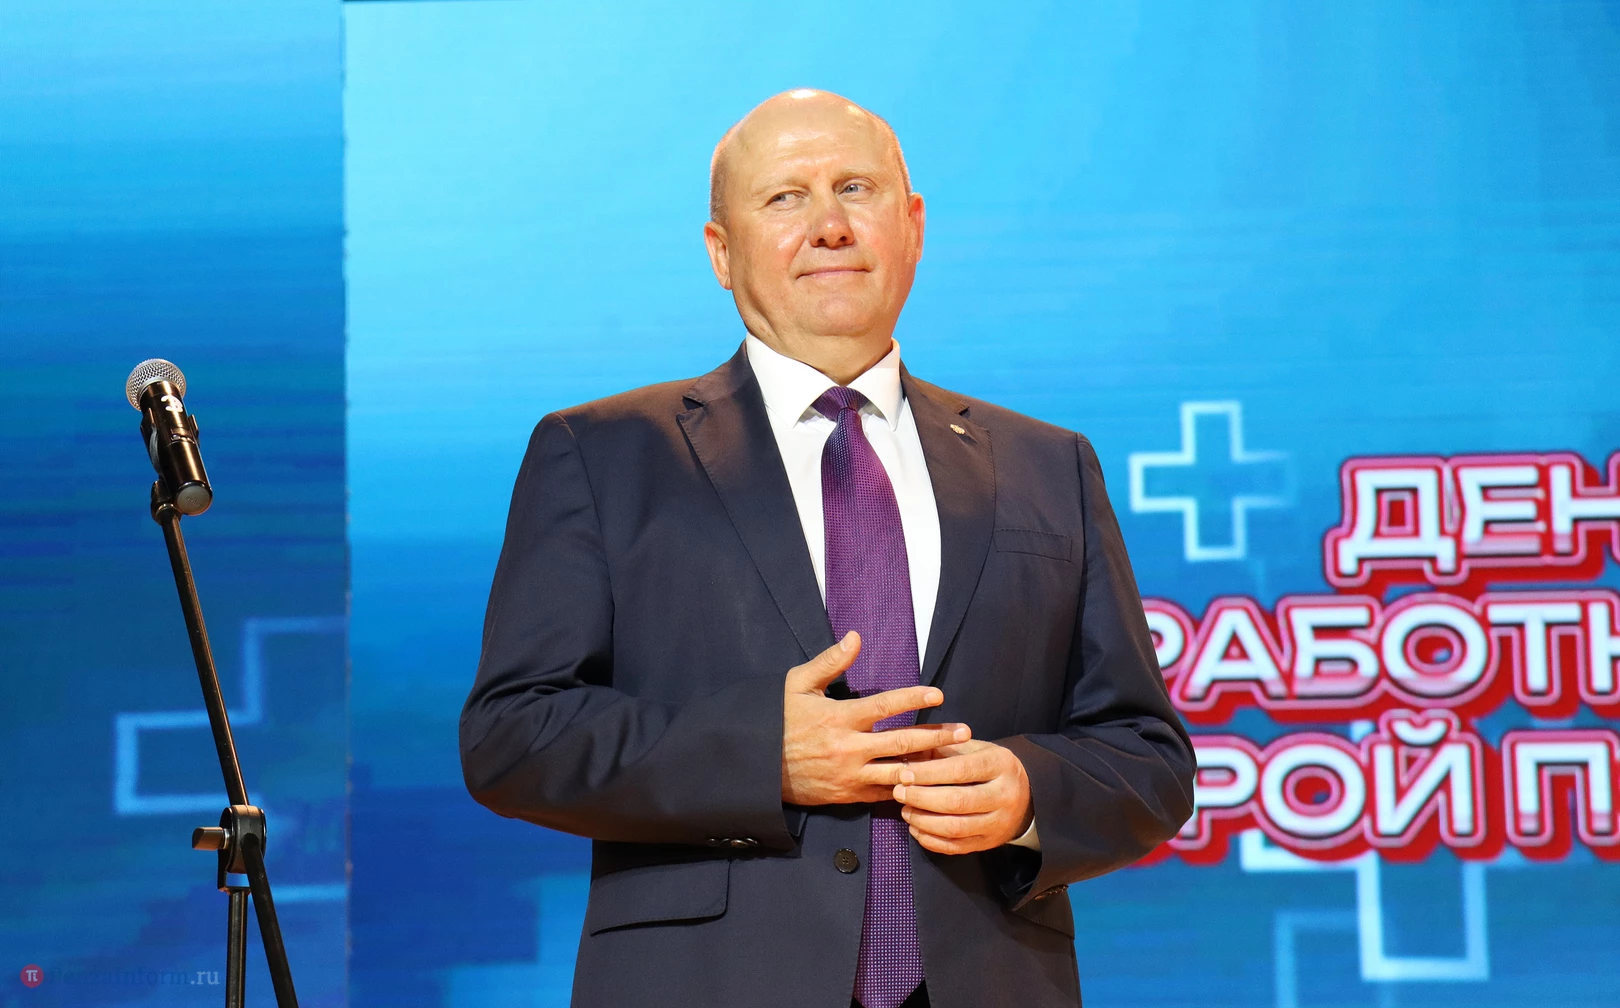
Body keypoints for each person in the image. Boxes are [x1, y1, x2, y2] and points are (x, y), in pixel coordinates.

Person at [460, 88, 1195, 1008]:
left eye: (856, 188)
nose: (830, 225)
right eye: (785, 197)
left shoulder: (1049, 465)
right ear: (721, 252)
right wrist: (759, 755)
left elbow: (1145, 753)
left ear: (913, 225)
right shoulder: (602, 454)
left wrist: (1028, 792)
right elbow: (512, 736)